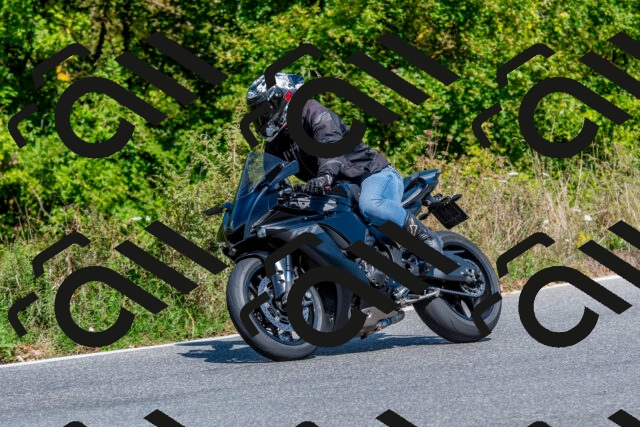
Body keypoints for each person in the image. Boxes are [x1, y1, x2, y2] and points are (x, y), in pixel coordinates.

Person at [246, 72, 443, 296]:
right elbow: (270, 176)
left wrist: (325, 176)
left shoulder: (312, 111)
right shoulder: (276, 144)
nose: (260, 117)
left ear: (283, 98)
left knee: (372, 206)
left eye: (263, 109)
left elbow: (330, 143)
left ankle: (425, 239)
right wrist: (253, 202)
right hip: (338, 193)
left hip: (372, 175)